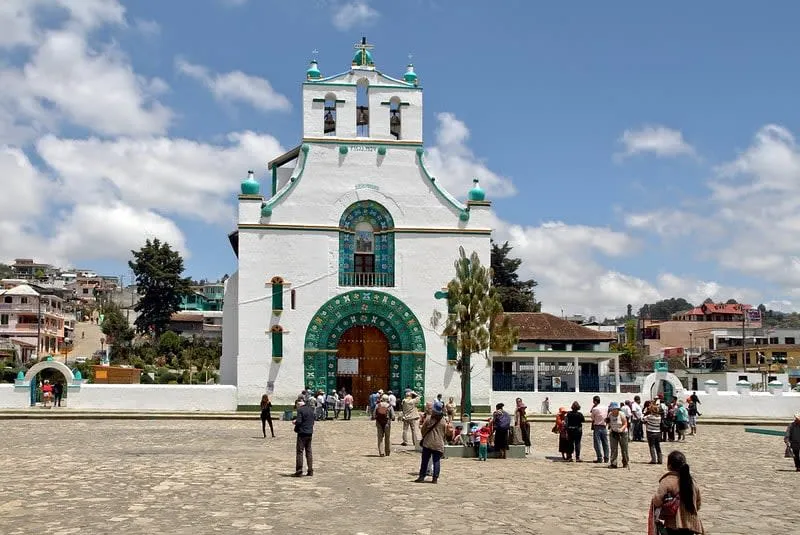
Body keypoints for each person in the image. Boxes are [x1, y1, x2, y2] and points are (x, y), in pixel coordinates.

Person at [649, 451, 705, 535]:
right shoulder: (692, 482)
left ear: (669, 465)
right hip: (691, 524)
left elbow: (657, 501)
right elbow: (698, 503)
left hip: (674, 524)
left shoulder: (667, 481)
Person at [414, 401, 447, 483]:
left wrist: (425, 436)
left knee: (425, 461)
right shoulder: (444, 421)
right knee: (436, 461)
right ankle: (435, 478)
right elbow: (445, 433)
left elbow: (423, 429)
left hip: (428, 443)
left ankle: (422, 476)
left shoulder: (429, 418)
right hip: (439, 443)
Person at [292, 400, 315, 477]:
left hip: (302, 433)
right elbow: (312, 421)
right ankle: (310, 470)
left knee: (300, 451)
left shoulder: (300, 410)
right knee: (309, 451)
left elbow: (299, 421)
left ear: (298, 404)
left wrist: (295, 423)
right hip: (310, 432)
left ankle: (299, 470)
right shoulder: (311, 409)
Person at [607, 402, 629, 469]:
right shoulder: (610, 414)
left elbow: (625, 423)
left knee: (624, 448)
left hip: (622, 433)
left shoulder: (621, 414)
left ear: (617, 409)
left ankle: (625, 462)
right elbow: (609, 422)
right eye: (612, 409)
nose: (613, 410)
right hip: (613, 432)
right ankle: (613, 463)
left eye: (614, 409)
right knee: (613, 448)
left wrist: (621, 429)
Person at [590, 395, 610, 464]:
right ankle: (606, 457)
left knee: (597, 443)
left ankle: (599, 458)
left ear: (595, 401)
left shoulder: (595, 409)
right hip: (604, 426)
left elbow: (592, 418)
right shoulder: (605, 407)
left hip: (597, 426)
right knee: (605, 443)